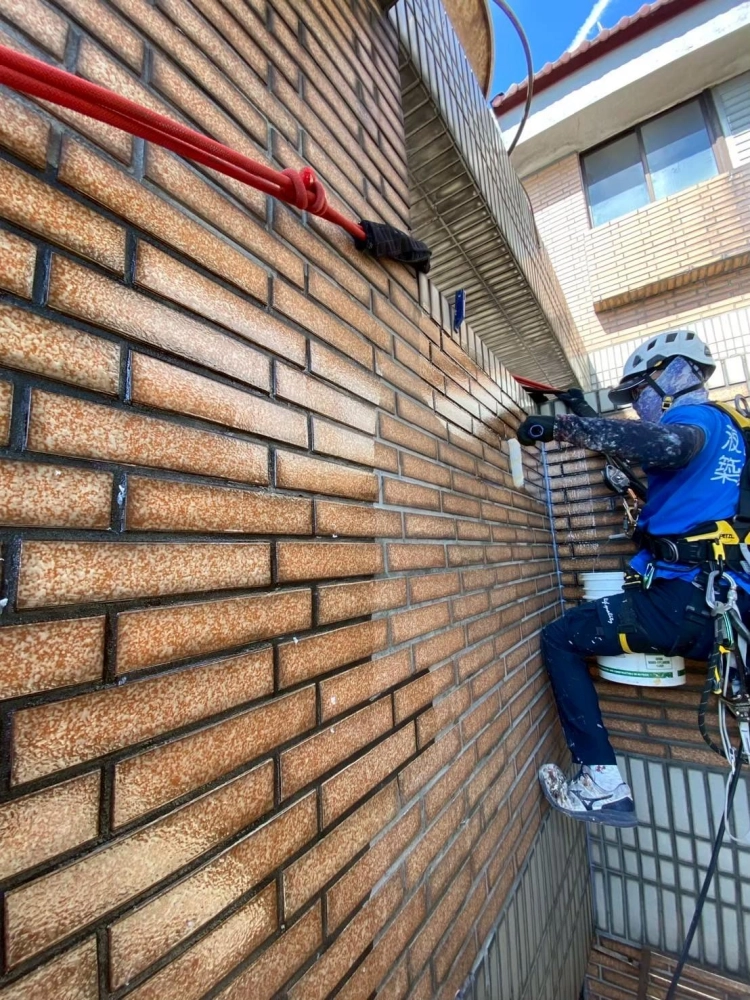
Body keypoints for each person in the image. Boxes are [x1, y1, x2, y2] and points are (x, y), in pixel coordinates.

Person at [515, 330, 750, 828]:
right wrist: (585, 413)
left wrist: (562, 428)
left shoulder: (694, 418)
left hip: (688, 598)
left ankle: (602, 785)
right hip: (729, 603)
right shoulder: (735, 430)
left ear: (671, 375)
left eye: (638, 391)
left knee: (561, 638)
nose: (639, 406)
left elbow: (667, 444)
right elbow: (665, 471)